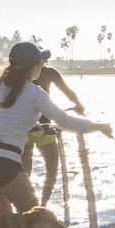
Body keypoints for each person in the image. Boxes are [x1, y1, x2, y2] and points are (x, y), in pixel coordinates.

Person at [0, 41, 112, 228]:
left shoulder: (1, 87)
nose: (43, 67)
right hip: (5, 164)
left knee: (2, 226)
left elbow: (9, 121)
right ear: (35, 66)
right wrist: (96, 126)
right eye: (42, 63)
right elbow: (66, 121)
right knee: (32, 219)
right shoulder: (35, 91)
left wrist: (31, 125)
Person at [19, 57, 85, 208]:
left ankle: (32, 208)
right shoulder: (49, 73)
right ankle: (39, 208)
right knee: (50, 170)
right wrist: (78, 104)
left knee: (27, 171)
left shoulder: (21, 75)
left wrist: (77, 104)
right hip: (41, 127)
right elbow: (67, 92)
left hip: (31, 128)